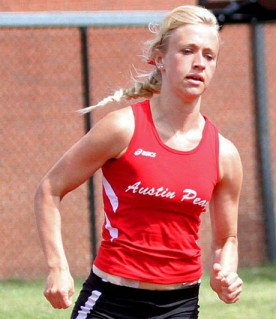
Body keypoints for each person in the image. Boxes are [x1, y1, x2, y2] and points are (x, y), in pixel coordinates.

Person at [34, 5, 243, 319]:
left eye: (209, 55)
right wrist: (57, 268)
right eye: (187, 51)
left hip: (180, 306)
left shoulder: (223, 153)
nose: (199, 63)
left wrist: (225, 272)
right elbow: (49, 190)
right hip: (111, 302)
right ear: (159, 59)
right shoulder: (123, 128)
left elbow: (227, 238)